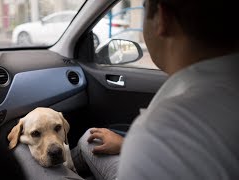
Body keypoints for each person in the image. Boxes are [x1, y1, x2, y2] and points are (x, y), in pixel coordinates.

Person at [14, 0, 239, 179]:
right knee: (88, 139)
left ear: (162, 18)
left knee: (20, 153)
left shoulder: (163, 131)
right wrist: (125, 144)